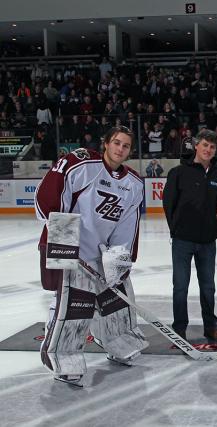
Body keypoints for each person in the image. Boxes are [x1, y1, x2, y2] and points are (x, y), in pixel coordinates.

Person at [35, 126, 148, 386]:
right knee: (74, 304)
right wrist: (64, 247)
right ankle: (64, 354)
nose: (120, 149)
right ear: (106, 143)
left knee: (118, 300)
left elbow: (128, 226)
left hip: (101, 255)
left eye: (126, 146)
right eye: (116, 143)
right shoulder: (80, 163)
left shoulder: (133, 183)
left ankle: (120, 340)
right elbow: (49, 197)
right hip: (69, 249)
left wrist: (119, 261)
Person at [162, 129, 217, 343]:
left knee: (208, 287)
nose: (208, 149)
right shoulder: (178, 172)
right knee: (180, 286)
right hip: (182, 240)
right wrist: (177, 228)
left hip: (207, 241)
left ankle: (211, 327)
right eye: (205, 145)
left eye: (212, 146)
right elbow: (168, 204)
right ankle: (179, 329)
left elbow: (216, 204)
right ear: (196, 146)